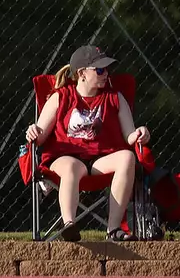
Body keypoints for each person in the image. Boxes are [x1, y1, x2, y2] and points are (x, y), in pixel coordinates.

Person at [24, 44, 150, 241]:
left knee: (127, 157)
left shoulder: (115, 98)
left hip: (101, 160)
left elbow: (129, 136)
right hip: (65, 158)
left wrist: (141, 133)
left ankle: (114, 229)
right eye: (99, 70)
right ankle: (69, 225)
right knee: (72, 166)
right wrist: (32, 130)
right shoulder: (61, 97)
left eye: (107, 69)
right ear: (82, 73)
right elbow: (39, 135)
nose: (105, 73)